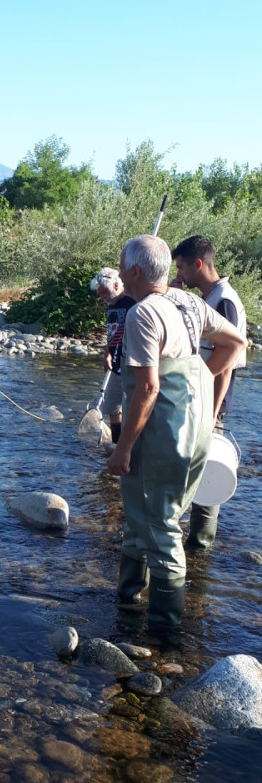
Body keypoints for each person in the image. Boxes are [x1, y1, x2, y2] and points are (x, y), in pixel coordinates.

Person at [107, 235, 245, 630]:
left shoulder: (142, 314)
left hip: (163, 433)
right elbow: (235, 341)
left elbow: (148, 389)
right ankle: (128, 602)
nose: (118, 272)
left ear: (134, 272)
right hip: (197, 427)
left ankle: (164, 631)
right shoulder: (189, 302)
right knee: (143, 516)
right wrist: (203, 374)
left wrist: (123, 449)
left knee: (162, 524)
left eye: (121, 265)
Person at [171, 235, 247, 551]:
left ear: (198, 264)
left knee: (206, 474)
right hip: (198, 400)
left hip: (210, 404)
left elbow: (226, 363)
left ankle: (200, 545)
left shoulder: (223, 300)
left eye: (182, 268)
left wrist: (212, 414)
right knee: (188, 469)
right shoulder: (208, 297)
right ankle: (187, 540)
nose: (180, 274)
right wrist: (175, 287)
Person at [89, 268, 135, 443]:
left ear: (116, 285)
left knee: (130, 406)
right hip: (115, 363)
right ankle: (116, 444)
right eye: (100, 294)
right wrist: (107, 353)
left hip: (131, 363)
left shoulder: (133, 301)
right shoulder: (112, 304)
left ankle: (128, 446)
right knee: (112, 407)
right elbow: (113, 333)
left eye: (105, 293)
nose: (103, 297)